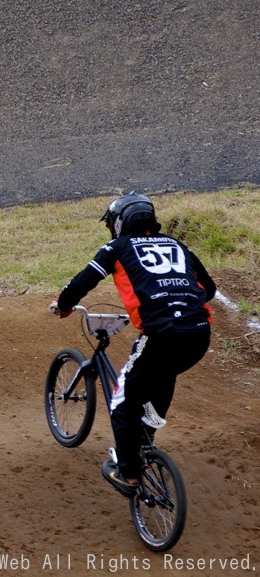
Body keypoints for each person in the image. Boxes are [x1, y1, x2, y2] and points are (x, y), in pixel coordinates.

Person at [54, 191, 215, 498]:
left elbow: (82, 282)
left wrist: (63, 304)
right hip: (198, 334)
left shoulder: (116, 247)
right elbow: (208, 288)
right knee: (163, 372)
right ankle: (146, 436)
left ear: (118, 223)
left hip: (161, 335)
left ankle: (127, 473)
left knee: (121, 400)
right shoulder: (176, 244)